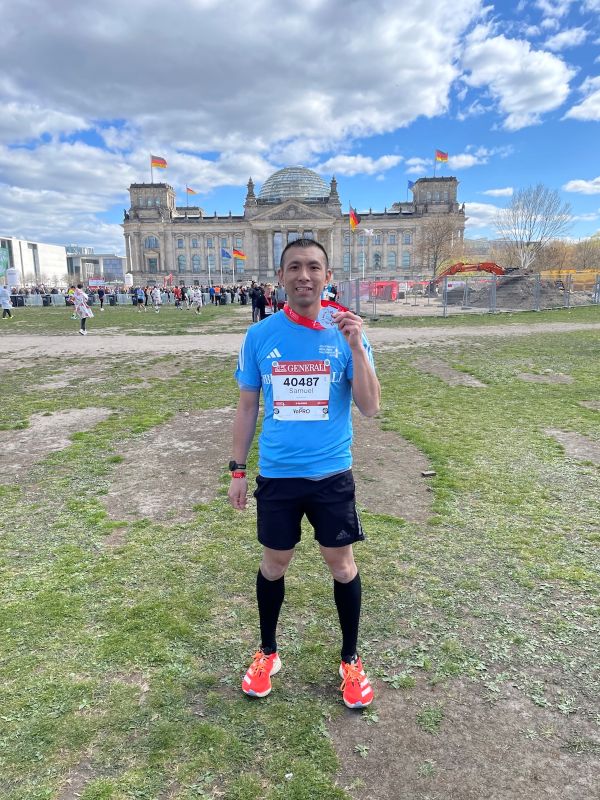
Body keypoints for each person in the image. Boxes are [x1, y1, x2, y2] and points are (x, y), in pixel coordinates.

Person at [228, 238, 380, 709]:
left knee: (342, 565)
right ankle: (268, 652)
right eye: (294, 267)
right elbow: (248, 404)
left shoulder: (347, 330)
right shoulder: (260, 335)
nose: (304, 276)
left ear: (327, 276)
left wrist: (356, 346)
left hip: (331, 474)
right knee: (274, 565)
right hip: (277, 476)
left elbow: (371, 407)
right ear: (280, 277)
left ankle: (350, 660)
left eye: (314, 267)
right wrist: (237, 468)